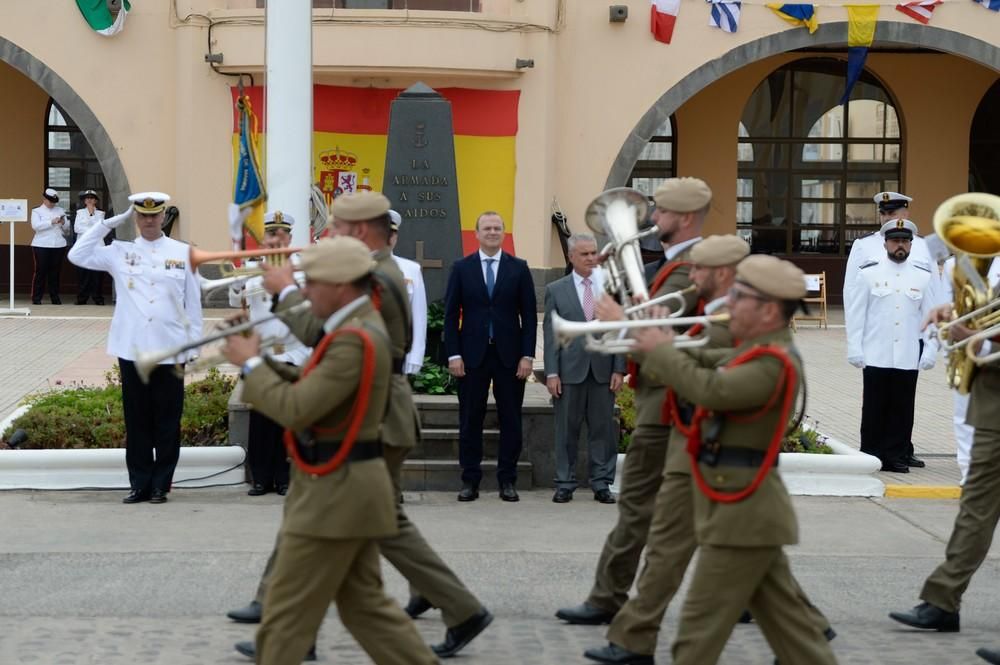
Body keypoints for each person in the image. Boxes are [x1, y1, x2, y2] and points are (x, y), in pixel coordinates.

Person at [231, 190, 492, 659]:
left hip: (367, 415)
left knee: (367, 522)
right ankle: (287, 618)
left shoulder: (378, 277)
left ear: (359, 231)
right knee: (359, 555)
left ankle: (288, 619)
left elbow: (330, 339)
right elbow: (327, 339)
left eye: (338, 229)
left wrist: (287, 295)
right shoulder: (369, 275)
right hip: (359, 406)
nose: (331, 236)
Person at [220, 235, 439, 665]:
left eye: (311, 283)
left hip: (337, 492)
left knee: (285, 611)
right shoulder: (351, 326)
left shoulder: (354, 337)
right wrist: (262, 358)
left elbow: (297, 409)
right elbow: (316, 384)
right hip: (349, 488)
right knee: (367, 610)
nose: (305, 292)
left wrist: (250, 365)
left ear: (339, 286)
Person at [630, 254, 838, 665]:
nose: (730, 303)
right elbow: (704, 363)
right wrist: (660, 338)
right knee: (798, 639)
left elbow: (712, 390)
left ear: (767, 310)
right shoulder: (755, 352)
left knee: (696, 636)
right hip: (742, 512)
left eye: (740, 296)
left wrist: (661, 348)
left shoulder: (773, 362)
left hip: (741, 515)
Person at [583, 234, 744, 663]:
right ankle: (800, 633)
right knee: (735, 547)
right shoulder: (710, 311)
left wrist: (636, 326)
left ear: (723, 274)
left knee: (673, 541)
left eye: (704, 271)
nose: (696, 277)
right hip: (688, 431)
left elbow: (698, 376)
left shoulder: (728, 320)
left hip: (698, 439)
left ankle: (632, 632)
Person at [556, 177, 707, 626]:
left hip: (673, 402)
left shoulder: (694, 265)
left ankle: (609, 599)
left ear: (681, 217)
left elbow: (656, 330)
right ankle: (607, 595)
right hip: (663, 401)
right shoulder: (673, 262)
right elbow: (645, 312)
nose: (651, 219)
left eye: (659, 212)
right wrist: (615, 278)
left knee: (651, 508)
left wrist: (623, 314)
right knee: (669, 509)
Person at [68, 192, 202, 504]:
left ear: (164, 215)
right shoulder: (118, 251)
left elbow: (193, 303)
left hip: (171, 349)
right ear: (136, 218)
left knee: (168, 420)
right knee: (138, 419)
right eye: (142, 215)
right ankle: (140, 483)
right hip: (132, 349)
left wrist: (193, 344)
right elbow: (77, 254)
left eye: (155, 215)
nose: (149, 220)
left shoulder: (183, 252)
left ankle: (161, 484)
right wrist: (108, 224)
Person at [888, 301, 1000, 634]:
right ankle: (942, 600)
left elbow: (986, 337)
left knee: (975, 511)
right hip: (991, 410)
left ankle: (942, 600)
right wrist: (956, 312)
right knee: (975, 510)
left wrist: (973, 338)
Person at [844, 190, 942, 469]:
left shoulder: (925, 246)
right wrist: (855, 342)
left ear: (906, 213)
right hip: (878, 335)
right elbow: (853, 294)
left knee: (903, 399)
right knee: (877, 400)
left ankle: (901, 449)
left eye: (895, 211)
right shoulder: (864, 246)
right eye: (885, 213)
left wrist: (932, 343)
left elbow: (933, 294)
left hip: (911, 333)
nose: (890, 217)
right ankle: (876, 451)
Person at [444, 211, 537, 502]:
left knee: (511, 419)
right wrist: (454, 354)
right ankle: (470, 480)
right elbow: (450, 316)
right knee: (470, 419)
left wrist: (527, 356)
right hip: (471, 356)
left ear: (503, 233)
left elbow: (530, 317)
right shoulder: (462, 268)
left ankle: (507, 480)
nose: (493, 232)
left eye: (497, 228)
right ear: (477, 233)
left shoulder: (519, 268)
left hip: (510, 357)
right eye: (487, 228)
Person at [228, 211, 310, 496]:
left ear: (289, 236)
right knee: (261, 422)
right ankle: (261, 478)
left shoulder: (303, 269)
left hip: (294, 353)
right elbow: (235, 300)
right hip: (262, 355)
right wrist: (238, 274)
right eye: (271, 233)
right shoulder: (253, 267)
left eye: (281, 233)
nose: (275, 239)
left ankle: (285, 477)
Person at [542, 232, 624, 504]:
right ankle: (565, 483)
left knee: (603, 430)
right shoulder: (556, 289)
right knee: (566, 430)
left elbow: (619, 330)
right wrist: (551, 373)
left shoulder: (611, 286)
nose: (591, 258)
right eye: (585, 254)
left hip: (603, 370)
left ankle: (602, 483)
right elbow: (552, 335)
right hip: (569, 372)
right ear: (571, 256)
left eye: (594, 253)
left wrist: (619, 368)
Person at [941, 255, 1000, 484]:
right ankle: (968, 472)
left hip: (994, 346)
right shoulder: (954, 264)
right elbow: (947, 303)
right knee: (963, 414)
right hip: (965, 351)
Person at [389, 209, 427, 374]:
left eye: (392, 233)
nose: (387, 238)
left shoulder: (410, 269)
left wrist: (415, 356)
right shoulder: (355, 265)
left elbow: (418, 315)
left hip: (395, 351)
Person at [30, 188, 68, 305]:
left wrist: (63, 223)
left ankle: (55, 297)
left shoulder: (60, 210)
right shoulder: (37, 211)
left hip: (58, 244)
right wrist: (51, 222)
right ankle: (37, 298)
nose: (52, 204)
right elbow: (36, 226)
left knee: (55, 272)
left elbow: (66, 229)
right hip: (42, 244)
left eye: (54, 201)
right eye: (50, 201)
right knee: (41, 271)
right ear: (44, 199)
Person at [73, 190, 107, 305]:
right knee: (83, 274)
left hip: (98, 246)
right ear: (84, 200)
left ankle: (98, 298)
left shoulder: (101, 213)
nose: (89, 200)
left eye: (92, 198)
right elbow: (77, 228)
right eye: (87, 198)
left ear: (96, 200)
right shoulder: (79, 212)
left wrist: (92, 215)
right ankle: (82, 298)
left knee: (97, 275)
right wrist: (91, 227)